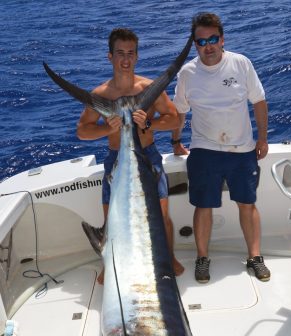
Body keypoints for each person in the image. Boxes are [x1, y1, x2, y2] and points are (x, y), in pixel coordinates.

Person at [77, 28, 184, 284]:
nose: (125, 59)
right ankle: (111, 264)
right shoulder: (100, 95)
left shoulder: (149, 88)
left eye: (131, 53)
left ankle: (167, 258)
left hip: (147, 156)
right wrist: (106, 128)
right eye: (120, 53)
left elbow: (174, 119)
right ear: (110, 57)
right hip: (116, 158)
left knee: (161, 215)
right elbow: (82, 131)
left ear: (136, 56)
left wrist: (149, 123)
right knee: (112, 218)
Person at [171, 12, 271, 284]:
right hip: (204, 149)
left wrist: (262, 138)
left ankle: (255, 257)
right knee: (203, 206)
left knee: (247, 204)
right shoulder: (187, 73)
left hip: (243, 150)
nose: (209, 46)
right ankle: (202, 258)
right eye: (202, 41)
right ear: (195, 45)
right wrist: (175, 140)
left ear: (222, 39)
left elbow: (259, 102)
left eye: (213, 39)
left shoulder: (241, 63)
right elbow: (179, 112)